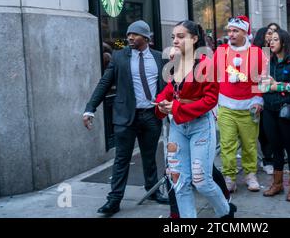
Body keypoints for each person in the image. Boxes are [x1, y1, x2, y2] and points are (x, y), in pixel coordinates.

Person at [83, 20, 169, 217]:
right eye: (129, 34)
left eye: (135, 35)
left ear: (146, 38)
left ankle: (153, 191)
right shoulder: (119, 56)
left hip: (151, 115)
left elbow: (166, 86)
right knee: (121, 159)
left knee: (149, 156)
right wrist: (90, 108)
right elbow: (105, 82)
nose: (130, 37)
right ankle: (114, 200)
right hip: (125, 117)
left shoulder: (159, 58)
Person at [154, 20, 236, 218]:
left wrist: (175, 106)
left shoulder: (208, 65)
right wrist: (161, 103)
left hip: (201, 125)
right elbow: (168, 91)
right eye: (173, 37)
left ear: (194, 39)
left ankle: (225, 212)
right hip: (178, 126)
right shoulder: (176, 64)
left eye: (181, 36)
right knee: (179, 180)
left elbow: (210, 100)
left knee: (202, 181)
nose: (175, 40)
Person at [215, 16, 266, 193]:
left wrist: (259, 99)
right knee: (227, 144)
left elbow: (262, 79)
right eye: (229, 30)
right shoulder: (221, 50)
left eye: (235, 30)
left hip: (249, 106)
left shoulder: (257, 53)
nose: (231, 34)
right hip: (226, 106)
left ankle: (250, 174)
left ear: (245, 32)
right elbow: (214, 76)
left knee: (249, 144)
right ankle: (229, 177)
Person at [260, 30, 290, 201]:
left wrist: (277, 86)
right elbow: (262, 83)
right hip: (270, 110)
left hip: (288, 111)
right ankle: (277, 184)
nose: (271, 43)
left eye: (275, 40)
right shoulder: (268, 61)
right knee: (275, 147)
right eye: (270, 40)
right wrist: (266, 84)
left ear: (284, 42)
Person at [253, 28, 274, 175]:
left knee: (269, 130)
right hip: (258, 95)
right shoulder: (255, 53)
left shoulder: (272, 52)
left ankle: (269, 158)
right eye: (268, 34)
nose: (271, 36)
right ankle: (266, 159)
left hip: (271, 94)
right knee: (262, 131)